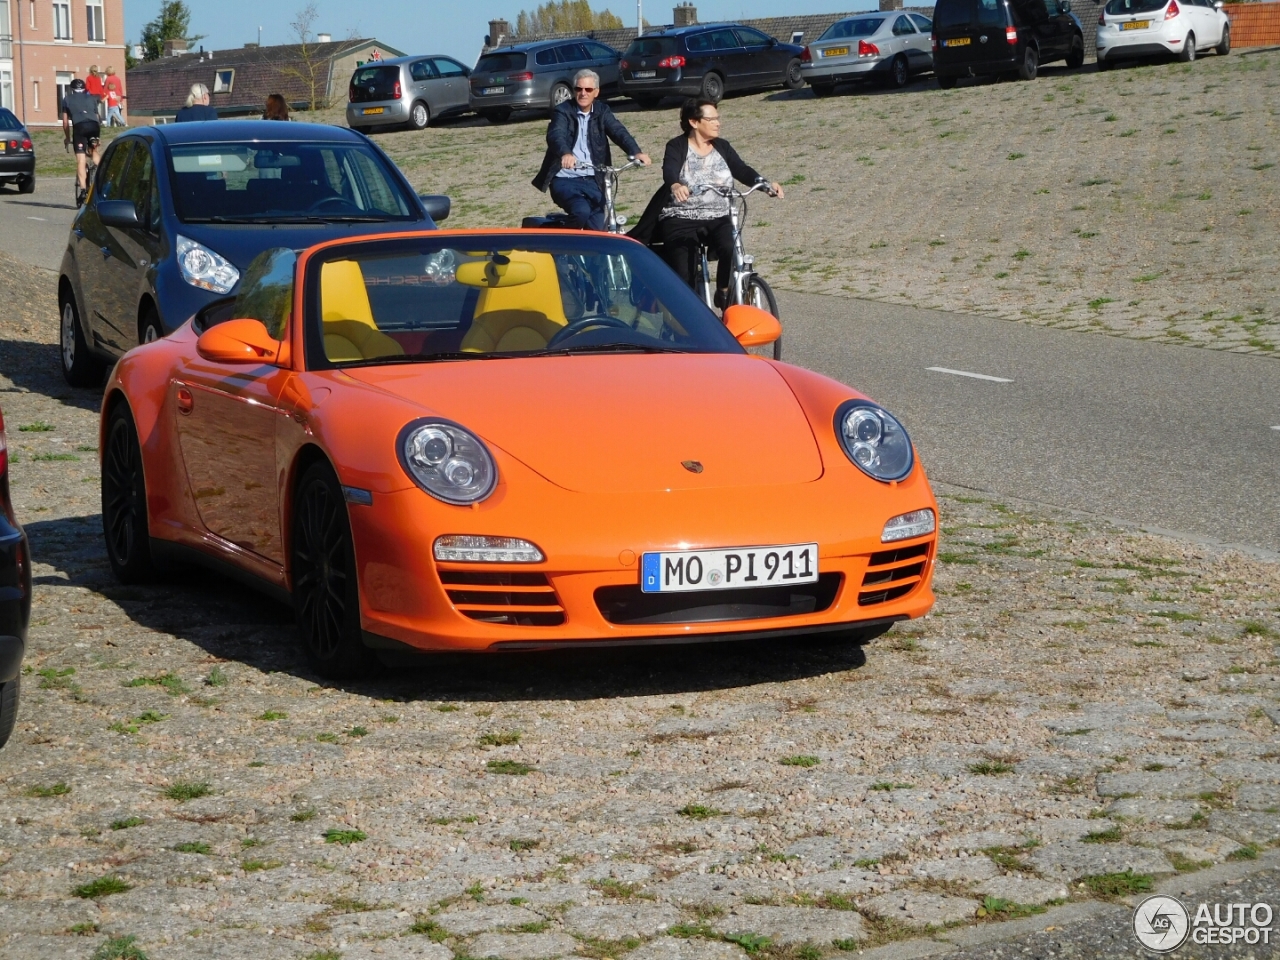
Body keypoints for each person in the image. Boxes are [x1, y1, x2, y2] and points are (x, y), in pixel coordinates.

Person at [630, 99, 783, 307]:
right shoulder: (676, 145)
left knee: (730, 245)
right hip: (681, 216)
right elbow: (670, 170)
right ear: (694, 122)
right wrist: (675, 185)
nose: (717, 123)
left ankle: (723, 290)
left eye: (717, 118)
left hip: (718, 214)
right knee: (685, 274)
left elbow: (742, 169)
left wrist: (765, 185)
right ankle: (690, 319)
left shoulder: (722, 146)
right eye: (711, 119)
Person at [532, 69, 651, 231]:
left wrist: (636, 152)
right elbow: (556, 135)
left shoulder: (602, 111)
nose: (583, 93)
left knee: (600, 226)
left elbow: (618, 131)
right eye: (578, 89)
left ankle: (588, 254)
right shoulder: (563, 111)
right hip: (565, 179)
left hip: (593, 179)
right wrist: (565, 153)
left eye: (588, 89)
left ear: (596, 92)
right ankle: (563, 246)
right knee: (581, 211)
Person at [61, 78, 102, 206]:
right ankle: (102, 174)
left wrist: (67, 138)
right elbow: (97, 117)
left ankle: (84, 191)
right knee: (94, 151)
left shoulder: (67, 99)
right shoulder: (92, 99)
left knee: (81, 160)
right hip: (94, 126)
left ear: (71, 89)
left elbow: (65, 122)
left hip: (80, 127)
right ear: (84, 88)